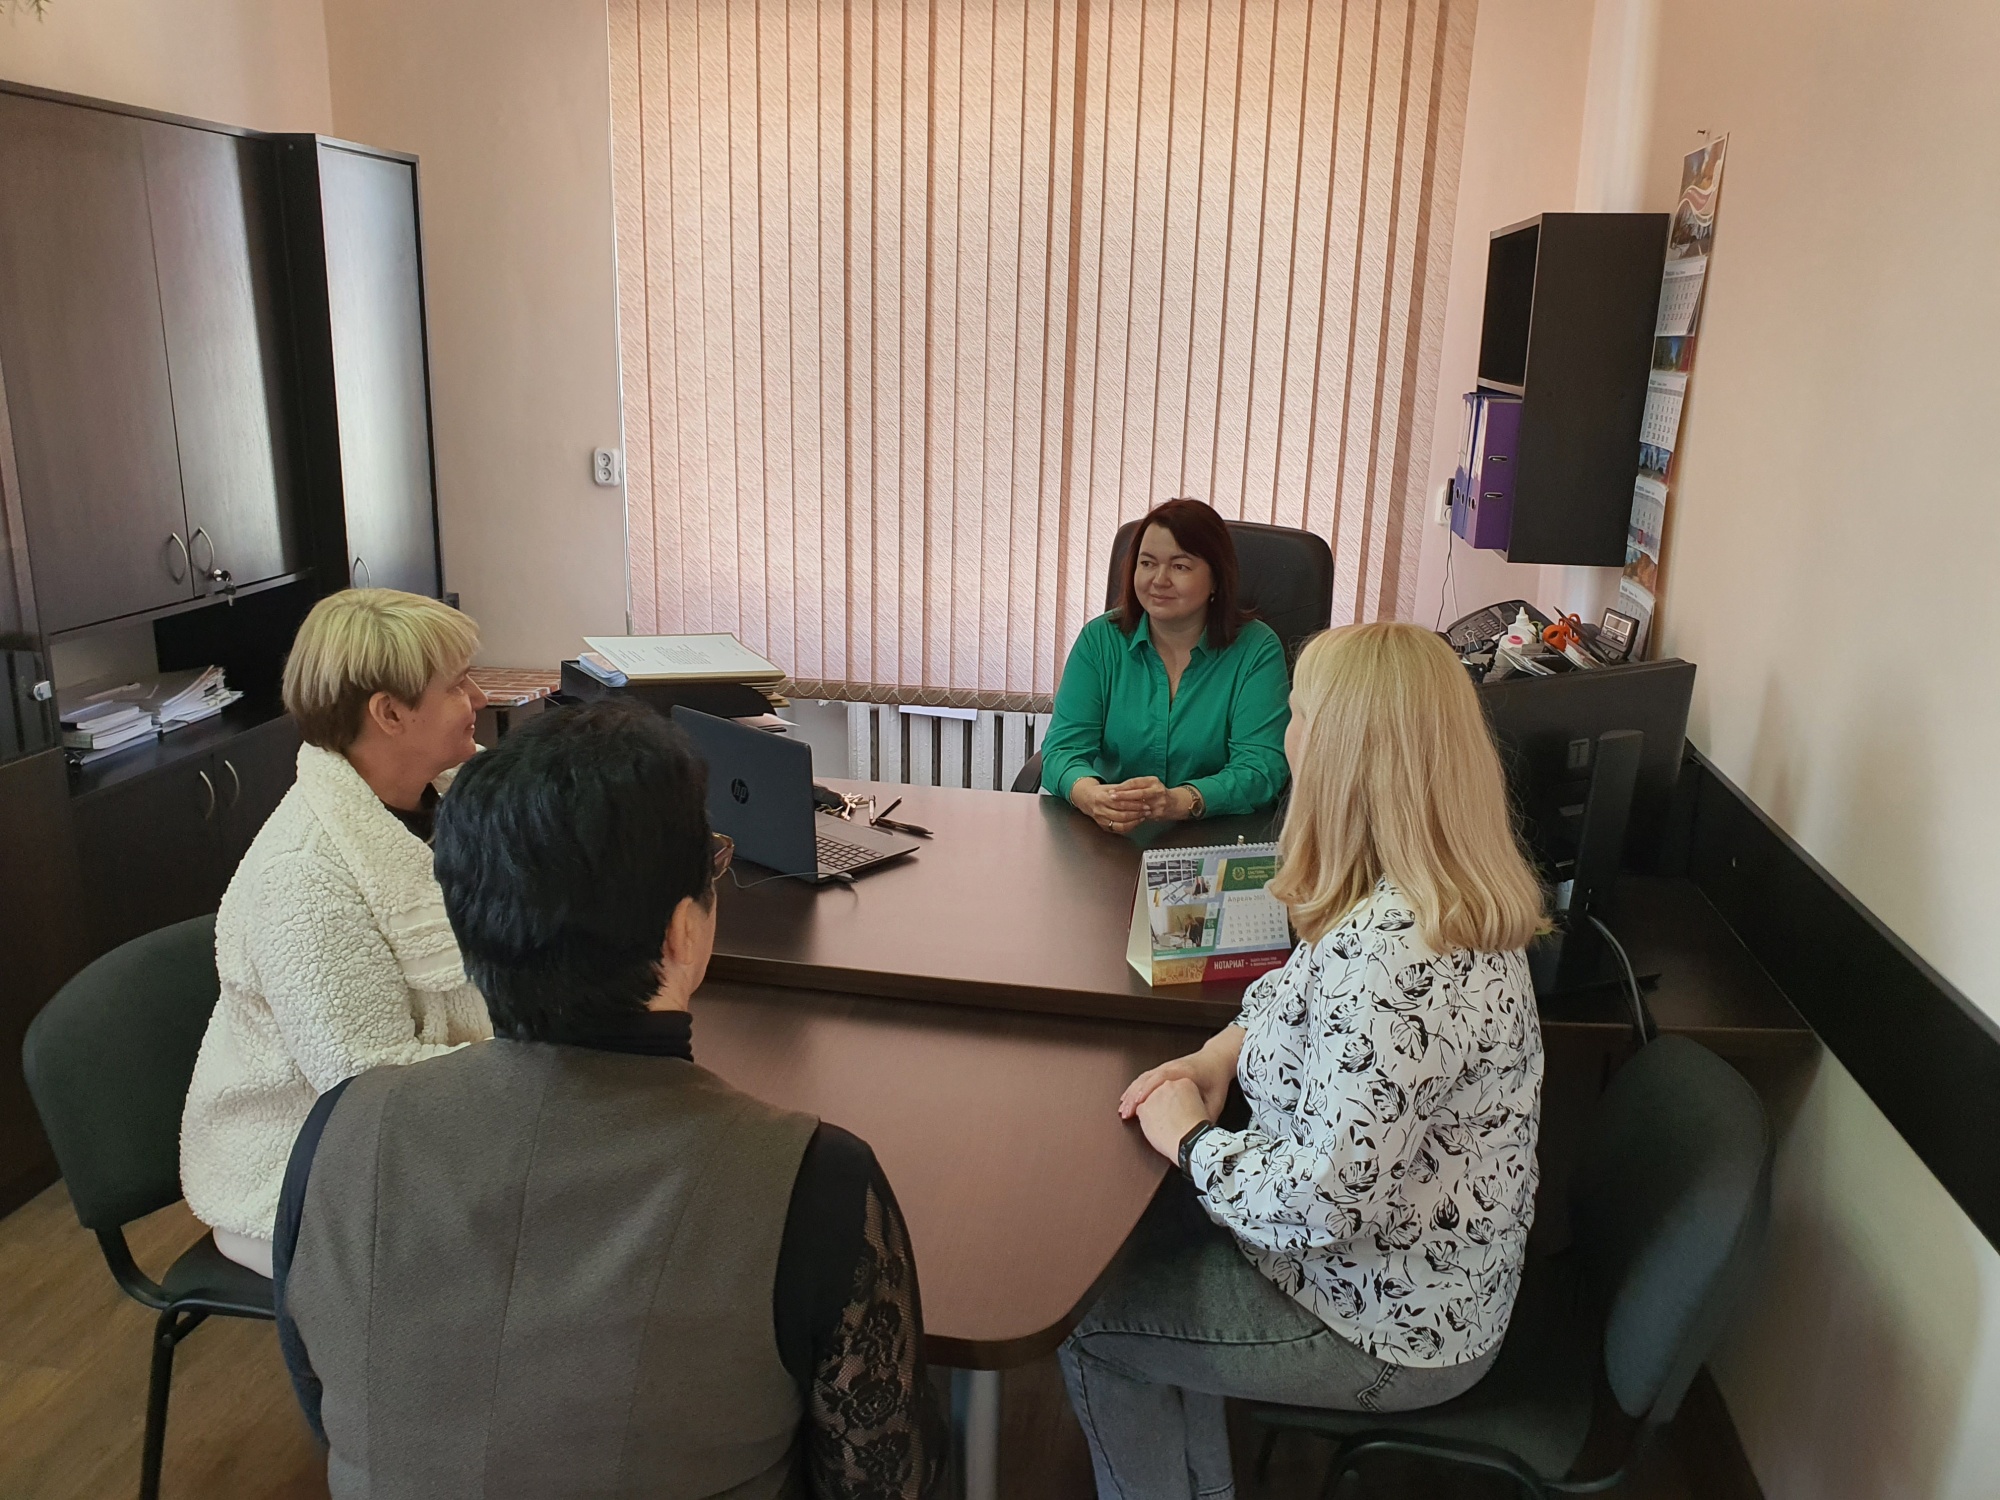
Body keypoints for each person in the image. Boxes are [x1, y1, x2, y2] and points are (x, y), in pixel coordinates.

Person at [271, 700, 946, 1500]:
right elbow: (884, 1483)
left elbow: (329, 1408)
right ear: (681, 934)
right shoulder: (817, 1183)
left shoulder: (337, 1132)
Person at [1060, 622, 1547, 1500]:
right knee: (1129, 1256)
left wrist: (1191, 1142)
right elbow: (1291, 995)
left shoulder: (1397, 956)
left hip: (1386, 1326)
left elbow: (1322, 1203)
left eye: (1296, 715)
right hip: (1405, 1275)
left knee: (1093, 1326)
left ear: (1341, 754)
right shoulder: (1424, 894)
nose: (1284, 737)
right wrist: (1217, 1056)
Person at [180, 589, 493, 1277]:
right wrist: (537, 1074)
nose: (477, 697)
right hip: (296, 1178)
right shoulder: (303, 878)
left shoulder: (445, 797)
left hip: (422, 1131)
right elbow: (369, 1091)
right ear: (390, 714)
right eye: (456, 685)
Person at [1039, 498, 1290, 833]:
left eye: (1180, 567)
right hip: (1108, 833)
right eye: (1147, 563)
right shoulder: (1100, 640)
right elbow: (1063, 749)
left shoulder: (1256, 649)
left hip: (1216, 836)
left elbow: (1261, 767)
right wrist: (1092, 795)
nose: (1159, 580)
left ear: (1216, 578)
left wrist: (1179, 801)